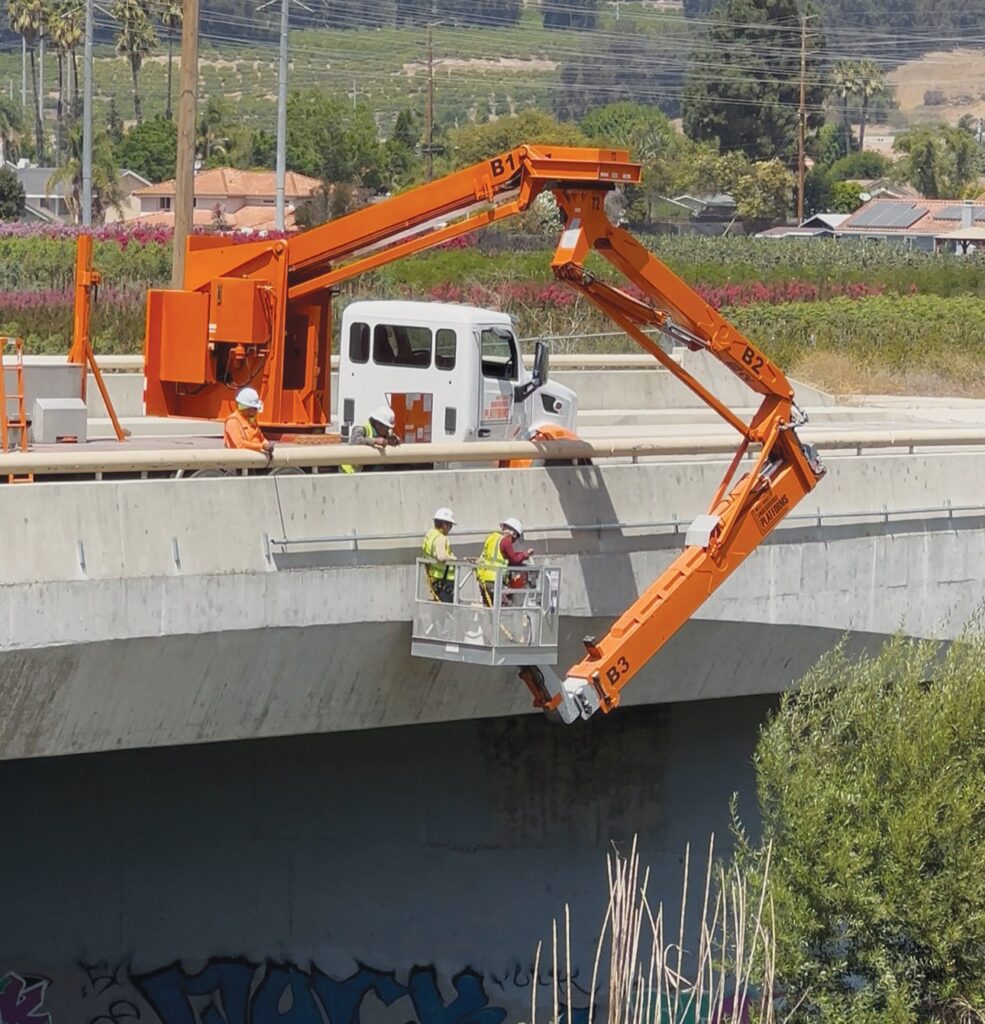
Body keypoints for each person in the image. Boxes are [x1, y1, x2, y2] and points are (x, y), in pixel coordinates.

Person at [477, 517, 534, 607]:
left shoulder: (493, 538)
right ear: (513, 533)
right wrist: (526, 554)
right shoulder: (506, 541)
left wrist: (521, 555)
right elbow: (514, 560)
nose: (514, 541)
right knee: (503, 609)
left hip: (484, 579)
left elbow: (505, 556)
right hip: (495, 581)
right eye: (516, 537)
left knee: (490, 609)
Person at [341, 404, 401, 474]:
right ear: (378, 424)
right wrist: (375, 441)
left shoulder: (386, 432)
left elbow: (392, 438)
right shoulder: (362, 428)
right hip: (349, 473)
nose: (388, 430)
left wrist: (394, 440)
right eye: (387, 427)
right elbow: (354, 440)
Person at [421, 507, 457, 603]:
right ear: (445, 525)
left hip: (435, 578)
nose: (450, 529)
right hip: (445, 580)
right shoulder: (441, 538)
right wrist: (454, 559)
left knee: (438, 611)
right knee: (446, 612)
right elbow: (441, 556)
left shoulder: (430, 535)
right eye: (450, 526)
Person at [223, 387, 274, 454]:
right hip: (239, 461)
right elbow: (240, 444)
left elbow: (261, 438)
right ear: (245, 407)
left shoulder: (251, 419)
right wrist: (262, 446)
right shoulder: (232, 421)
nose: (256, 411)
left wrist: (267, 444)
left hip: (253, 460)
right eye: (254, 408)